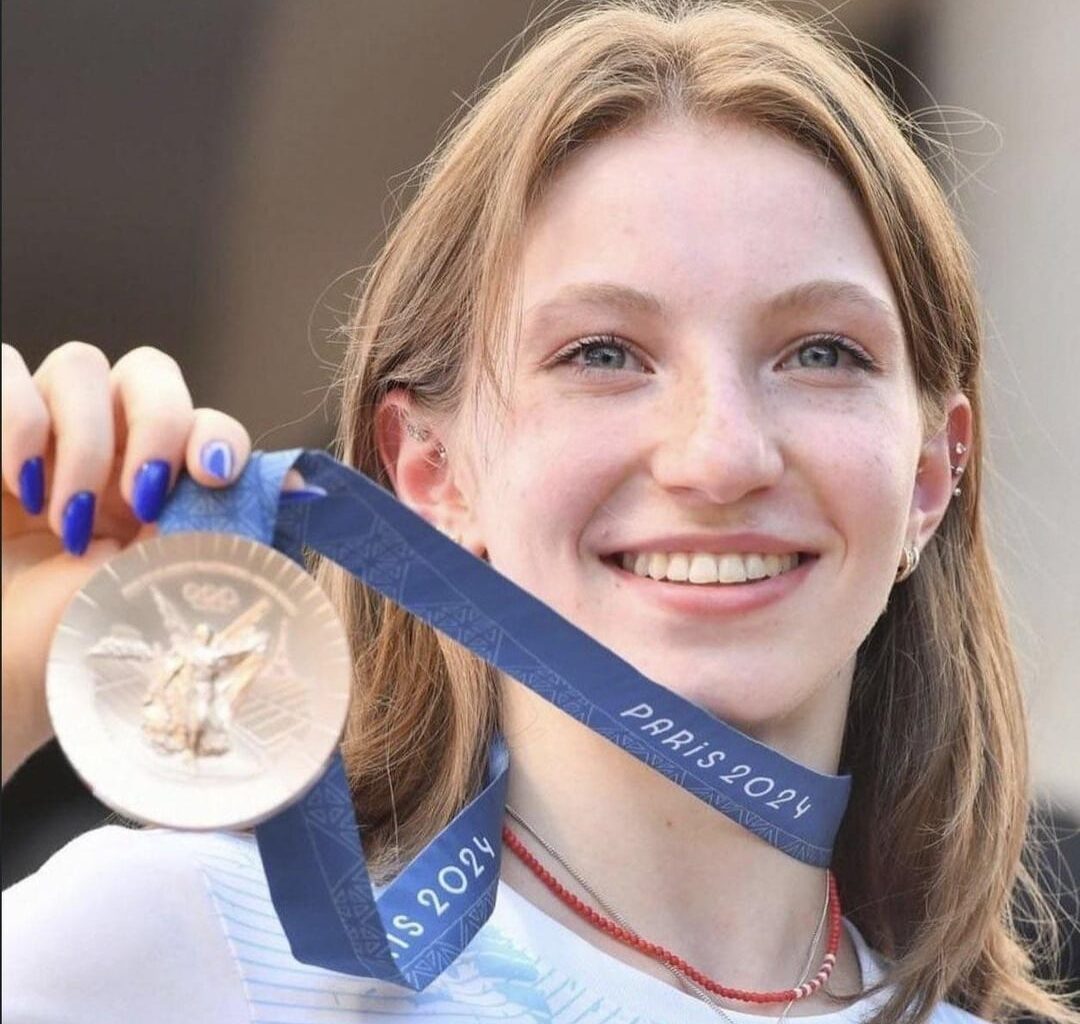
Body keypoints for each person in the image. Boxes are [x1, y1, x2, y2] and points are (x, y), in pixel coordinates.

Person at [2, 2, 1076, 1021]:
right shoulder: (180, 953)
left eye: (823, 353)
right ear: (432, 474)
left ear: (934, 477)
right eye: (602, 353)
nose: (721, 456)